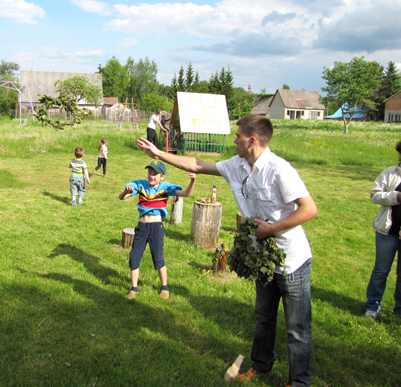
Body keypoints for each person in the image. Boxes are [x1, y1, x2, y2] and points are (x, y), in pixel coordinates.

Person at [137, 115, 317, 387]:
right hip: (262, 259)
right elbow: (197, 163)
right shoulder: (237, 165)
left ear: (252, 140)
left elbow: (309, 209)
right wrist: (159, 153)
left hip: (292, 260)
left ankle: (300, 382)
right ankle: (262, 366)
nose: (234, 140)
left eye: (238, 136)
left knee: (298, 329)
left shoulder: (280, 169)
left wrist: (272, 228)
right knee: (264, 317)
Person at [119, 160, 196, 300]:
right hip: (142, 227)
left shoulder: (166, 188)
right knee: (134, 257)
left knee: (158, 258)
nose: (151, 176)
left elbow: (186, 193)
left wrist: (192, 181)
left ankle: (164, 288)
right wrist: (126, 191)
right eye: (150, 172)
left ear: (162, 176)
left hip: (156, 227)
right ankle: (134, 289)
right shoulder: (140, 185)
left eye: (155, 174)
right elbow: (121, 197)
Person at [364, 140, 401, 320]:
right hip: (386, 232)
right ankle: (372, 305)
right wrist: (397, 196)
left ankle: (400, 309)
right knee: (381, 269)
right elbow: (375, 195)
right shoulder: (389, 173)